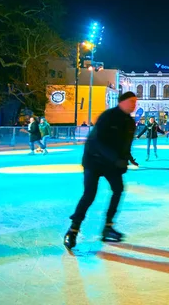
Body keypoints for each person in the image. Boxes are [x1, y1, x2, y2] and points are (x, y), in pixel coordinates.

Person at [63, 91, 139, 250]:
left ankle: (108, 227)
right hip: (94, 161)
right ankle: (73, 229)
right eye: (131, 101)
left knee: (118, 189)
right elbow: (96, 142)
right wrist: (116, 159)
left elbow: (125, 145)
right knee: (89, 194)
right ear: (122, 102)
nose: (134, 105)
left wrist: (127, 159)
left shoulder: (130, 123)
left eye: (135, 102)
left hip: (111, 164)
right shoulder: (108, 116)